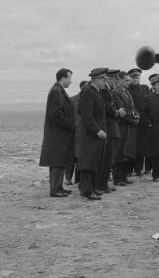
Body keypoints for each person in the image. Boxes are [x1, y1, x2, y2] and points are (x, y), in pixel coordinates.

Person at [39, 68, 76, 198]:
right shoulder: (56, 91)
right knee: (57, 162)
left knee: (60, 161)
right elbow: (56, 113)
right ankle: (55, 190)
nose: (71, 81)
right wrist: (70, 126)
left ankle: (59, 187)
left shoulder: (59, 90)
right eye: (69, 78)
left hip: (59, 134)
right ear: (63, 78)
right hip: (58, 134)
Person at [77, 68, 109, 200]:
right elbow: (86, 116)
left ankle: (91, 188)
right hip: (91, 135)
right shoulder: (89, 92)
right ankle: (87, 191)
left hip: (95, 134)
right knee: (89, 162)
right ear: (96, 79)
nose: (105, 82)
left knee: (94, 162)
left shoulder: (96, 92)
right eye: (104, 79)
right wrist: (97, 130)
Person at [97, 69, 125, 194]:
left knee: (108, 159)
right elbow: (108, 109)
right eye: (116, 79)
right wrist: (117, 112)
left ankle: (104, 184)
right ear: (109, 79)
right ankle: (102, 185)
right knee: (106, 159)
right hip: (108, 127)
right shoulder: (104, 91)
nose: (117, 82)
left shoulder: (107, 90)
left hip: (110, 128)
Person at [112, 71, 139, 185]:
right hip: (121, 126)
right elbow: (121, 109)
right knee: (119, 153)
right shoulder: (115, 92)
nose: (129, 82)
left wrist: (137, 116)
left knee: (125, 153)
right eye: (126, 80)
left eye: (129, 80)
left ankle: (123, 177)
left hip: (128, 127)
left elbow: (132, 109)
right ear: (120, 80)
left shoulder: (126, 92)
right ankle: (117, 179)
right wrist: (133, 120)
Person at [127, 68, 151, 177]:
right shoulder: (127, 89)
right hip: (130, 121)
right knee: (130, 145)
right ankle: (129, 169)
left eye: (137, 77)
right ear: (130, 78)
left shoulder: (145, 88)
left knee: (141, 147)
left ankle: (139, 169)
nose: (135, 79)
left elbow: (149, 104)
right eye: (133, 77)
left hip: (142, 122)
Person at [65, 80, 88, 185]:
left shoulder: (90, 99)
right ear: (82, 88)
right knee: (72, 157)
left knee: (81, 157)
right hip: (74, 133)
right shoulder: (72, 100)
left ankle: (79, 179)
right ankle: (68, 178)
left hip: (86, 133)